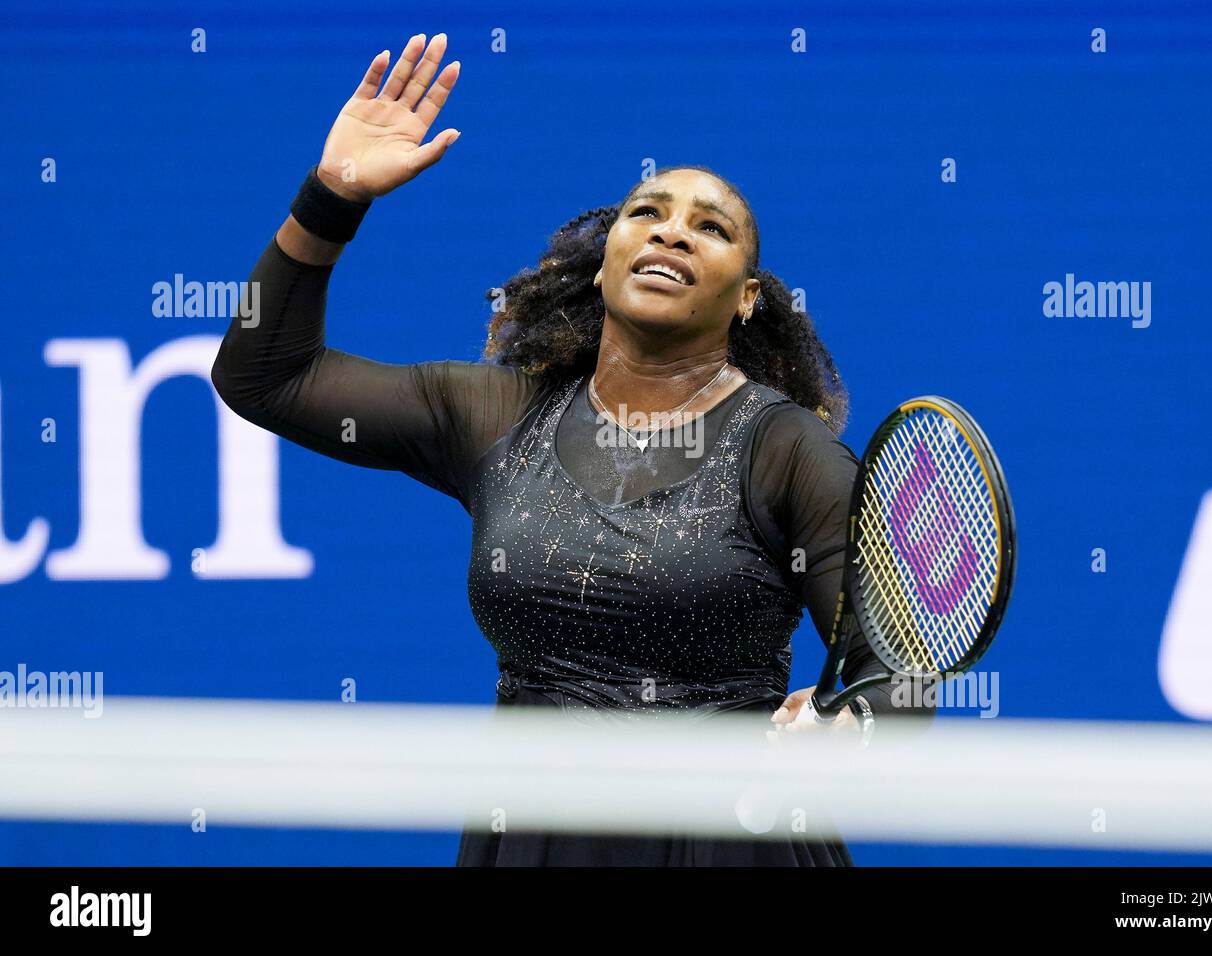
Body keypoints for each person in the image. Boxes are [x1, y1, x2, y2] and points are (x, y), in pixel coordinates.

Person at [211, 32, 933, 866]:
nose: (672, 234)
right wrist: (329, 200)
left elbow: (902, 671)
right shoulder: (491, 415)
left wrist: (850, 728)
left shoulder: (787, 452)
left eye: (711, 228)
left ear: (747, 298)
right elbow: (264, 375)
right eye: (647, 214)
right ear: (603, 266)